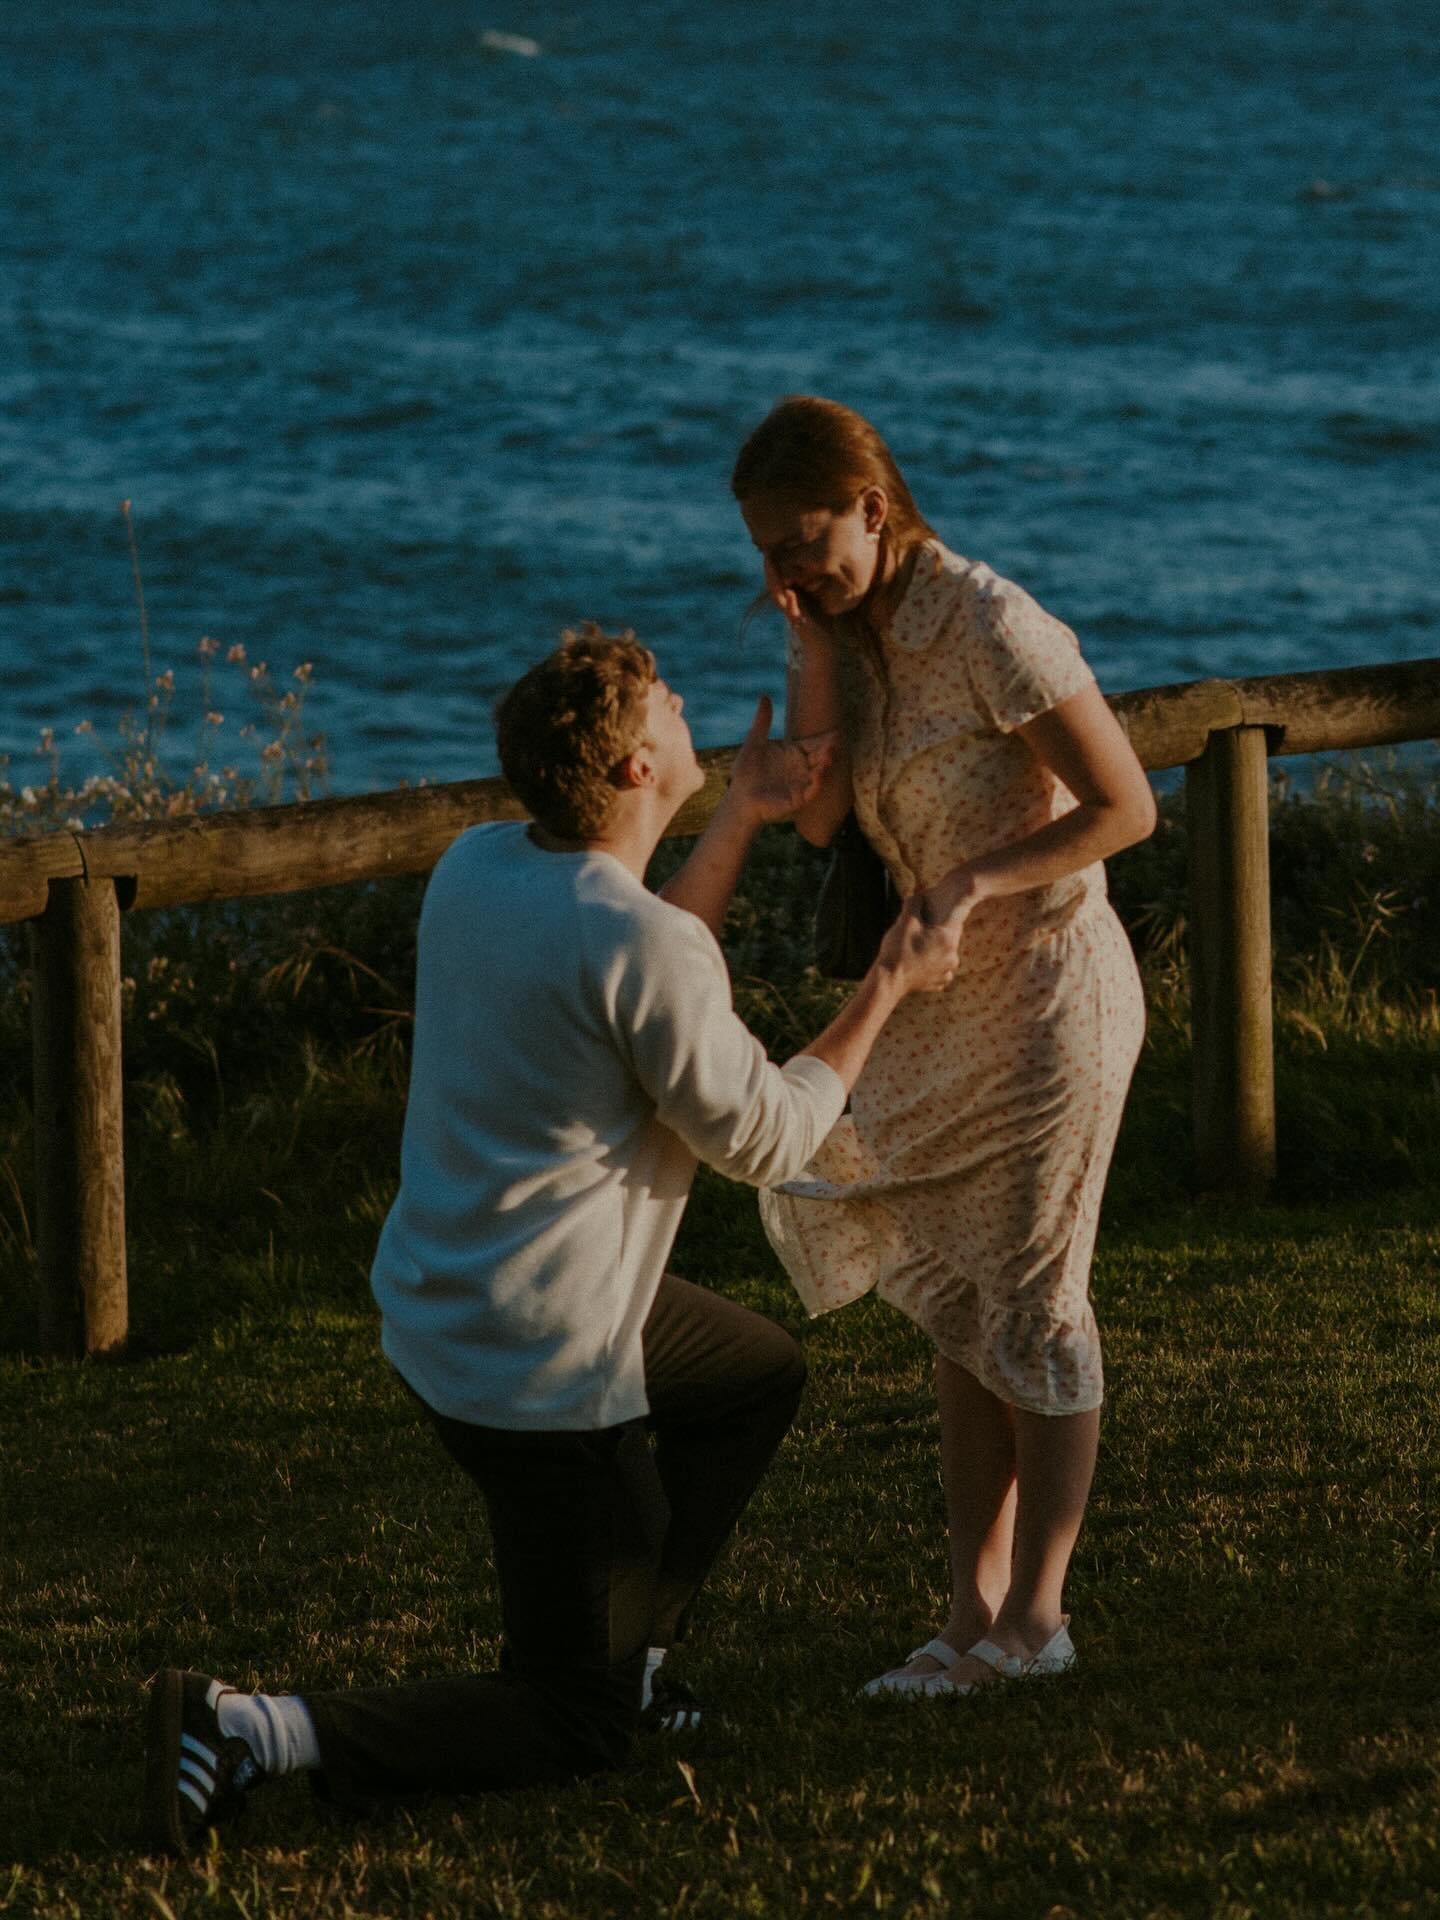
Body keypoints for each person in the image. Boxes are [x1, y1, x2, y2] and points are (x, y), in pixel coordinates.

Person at [145, 624, 961, 1855]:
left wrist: (736, 811)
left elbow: (634, 953)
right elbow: (770, 1135)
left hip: (449, 1302)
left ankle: (637, 1657)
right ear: (638, 767)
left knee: (752, 1373)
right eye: (668, 704)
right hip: (540, 1364)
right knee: (569, 1723)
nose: (687, 704)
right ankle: (254, 1729)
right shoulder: (632, 941)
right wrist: (890, 981)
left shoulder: (479, 869)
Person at [731, 396, 1157, 1699]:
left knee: (1032, 1300)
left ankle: (1039, 1621)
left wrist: (973, 879)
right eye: (766, 556)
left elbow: (1125, 807)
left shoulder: (990, 622)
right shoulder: (857, 636)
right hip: (940, 1007)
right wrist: (809, 643)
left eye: (806, 545)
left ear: (874, 504)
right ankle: (968, 1616)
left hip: (1046, 1001)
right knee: (964, 1314)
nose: (788, 573)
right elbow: (815, 832)